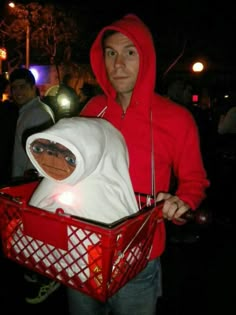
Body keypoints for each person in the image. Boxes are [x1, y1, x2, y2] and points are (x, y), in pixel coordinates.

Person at [67, 14, 210, 315]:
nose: (118, 64)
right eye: (111, 53)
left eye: (130, 52)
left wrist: (181, 203)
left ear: (145, 57)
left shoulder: (177, 118)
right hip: (84, 253)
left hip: (137, 261)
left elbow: (194, 181)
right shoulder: (93, 109)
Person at [9, 67, 60, 304]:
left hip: (32, 183)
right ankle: (37, 271)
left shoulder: (38, 113)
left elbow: (45, 153)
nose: (17, 91)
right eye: (14, 87)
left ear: (33, 88)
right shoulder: (27, 111)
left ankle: (47, 277)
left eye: (22, 87)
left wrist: (31, 179)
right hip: (27, 181)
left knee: (37, 232)